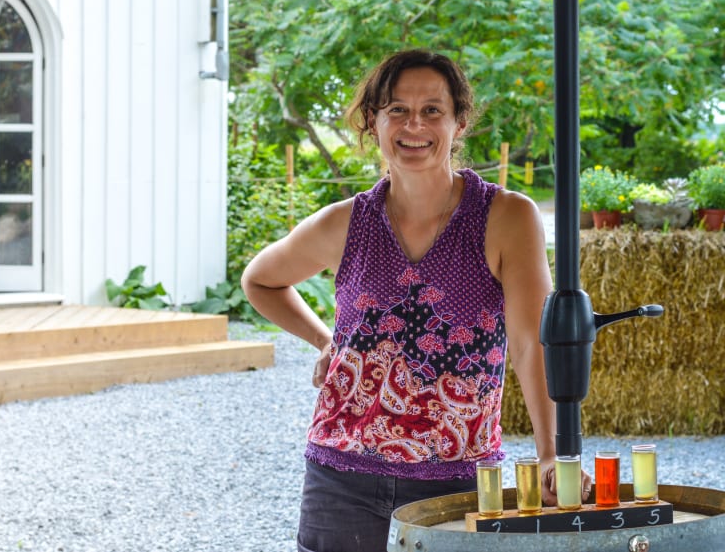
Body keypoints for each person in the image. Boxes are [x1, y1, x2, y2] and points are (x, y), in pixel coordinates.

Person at [241, 49, 591, 552]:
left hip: (459, 479)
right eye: (397, 110)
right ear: (373, 121)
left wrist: (549, 451)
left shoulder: (506, 217)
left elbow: (528, 342)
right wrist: (324, 340)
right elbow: (260, 280)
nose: (414, 125)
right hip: (342, 473)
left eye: (432, 110)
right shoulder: (345, 222)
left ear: (459, 122)